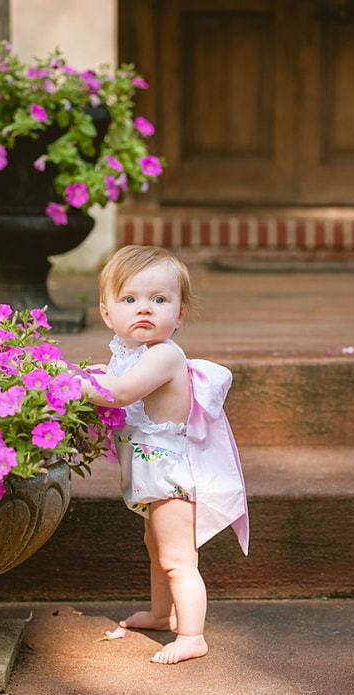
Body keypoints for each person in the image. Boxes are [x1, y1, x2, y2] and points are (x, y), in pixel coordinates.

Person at [85, 245, 249, 664]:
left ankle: (192, 635)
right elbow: (113, 377)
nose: (145, 309)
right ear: (107, 314)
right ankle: (162, 613)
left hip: (171, 473)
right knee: (155, 545)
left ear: (179, 314)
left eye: (159, 300)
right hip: (149, 470)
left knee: (177, 558)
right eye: (130, 299)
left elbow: (119, 394)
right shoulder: (131, 355)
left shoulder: (165, 355)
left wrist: (61, 385)